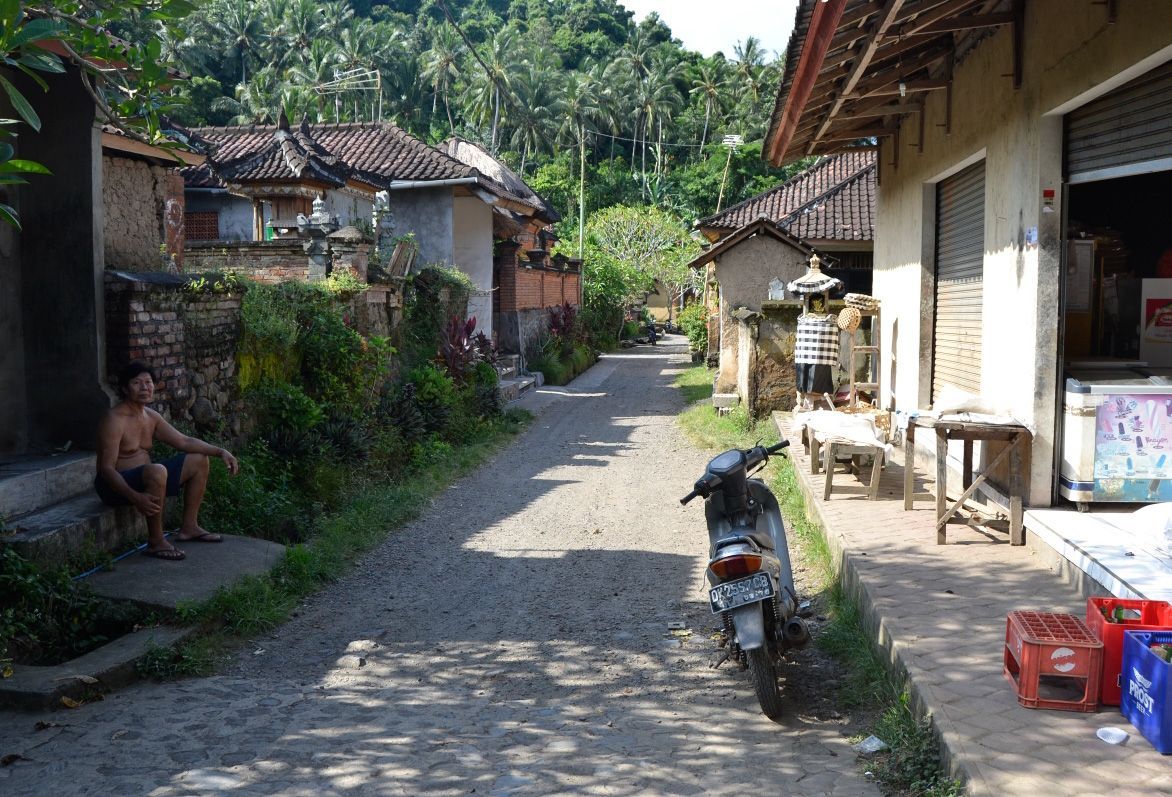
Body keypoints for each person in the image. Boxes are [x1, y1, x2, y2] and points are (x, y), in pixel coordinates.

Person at [95, 362, 239, 561]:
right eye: (137, 383)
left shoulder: (151, 417)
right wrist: (136, 497)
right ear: (125, 389)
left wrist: (220, 451)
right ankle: (156, 541)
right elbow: (106, 469)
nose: (145, 387)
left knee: (198, 459)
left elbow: (183, 441)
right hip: (113, 486)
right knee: (157, 470)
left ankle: (189, 527)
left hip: (146, 479)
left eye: (148, 382)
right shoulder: (114, 419)